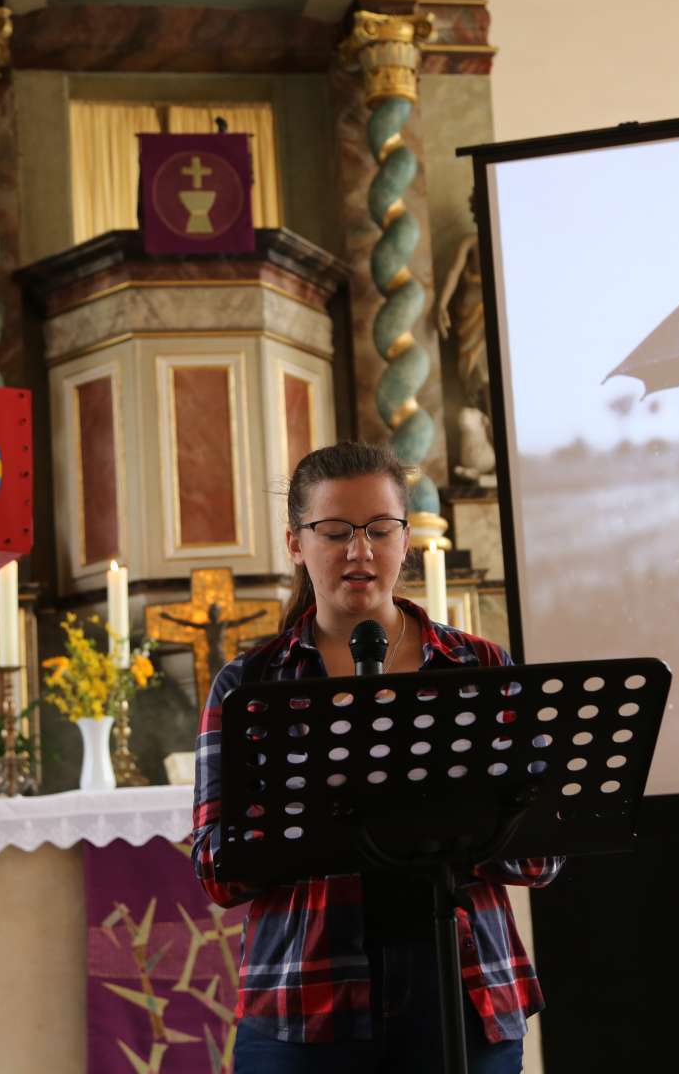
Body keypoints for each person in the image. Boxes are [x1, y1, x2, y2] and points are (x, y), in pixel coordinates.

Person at [191, 441, 560, 1073]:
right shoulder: (250, 683)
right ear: (295, 544)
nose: (359, 551)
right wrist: (312, 827)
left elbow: (542, 858)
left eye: (379, 530)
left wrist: (461, 824)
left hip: (466, 991)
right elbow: (214, 870)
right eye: (334, 532)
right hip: (307, 1004)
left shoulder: (482, 667)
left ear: (405, 537)